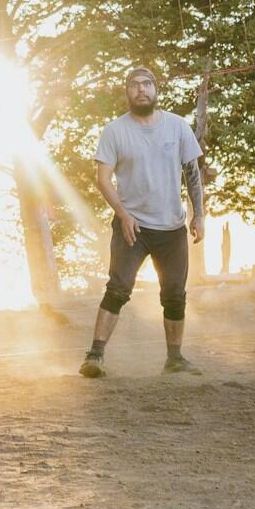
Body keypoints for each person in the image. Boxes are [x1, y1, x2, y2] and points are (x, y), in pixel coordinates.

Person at [79, 67, 206, 378]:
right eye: (134, 85)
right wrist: (123, 214)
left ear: (156, 90)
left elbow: (193, 174)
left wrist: (198, 215)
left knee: (175, 293)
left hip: (171, 227)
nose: (141, 89)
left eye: (147, 84)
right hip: (131, 227)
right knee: (118, 288)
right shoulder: (115, 131)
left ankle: (174, 359)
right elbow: (103, 179)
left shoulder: (177, 127)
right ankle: (94, 356)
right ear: (127, 92)